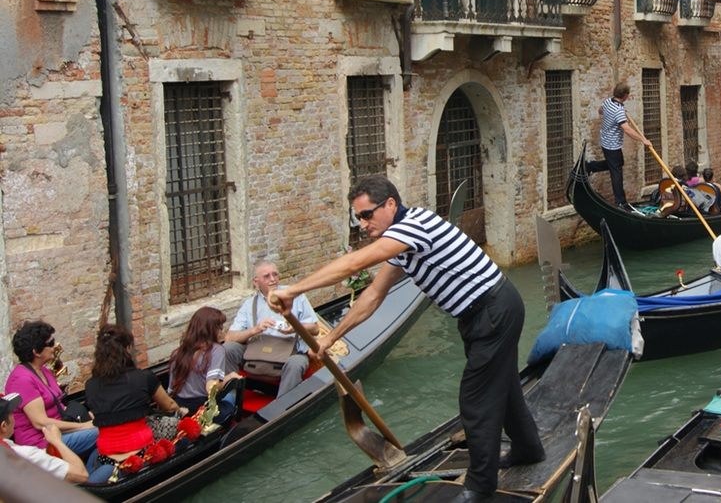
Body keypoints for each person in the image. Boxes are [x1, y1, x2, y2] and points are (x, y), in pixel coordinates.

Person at [269, 175, 544, 502]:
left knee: (476, 400)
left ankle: (479, 488)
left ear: (390, 205)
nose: (363, 224)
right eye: (357, 218)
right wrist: (332, 338)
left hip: (493, 311)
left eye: (367, 214)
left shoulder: (414, 225)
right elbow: (372, 296)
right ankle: (527, 448)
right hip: (480, 317)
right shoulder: (401, 243)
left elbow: (355, 262)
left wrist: (294, 290)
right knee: (504, 386)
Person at [85, 324, 186, 483]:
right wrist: (182, 411)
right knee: (178, 425)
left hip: (106, 455)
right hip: (140, 450)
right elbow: (170, 406)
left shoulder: (90, 385)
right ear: (127, 348)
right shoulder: (143, 377)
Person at [4, 321, 97, 463]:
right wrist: (83, 426)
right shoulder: (22, 380)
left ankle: (89, 478)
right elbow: (40, 423)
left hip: (60, 431)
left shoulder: (43, 371)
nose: (55, 347)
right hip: (41, 443)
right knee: (102, 432)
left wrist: (87, 416)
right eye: (50, 342)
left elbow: (59, 406)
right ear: (36, 351)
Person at [223, 261, 318, 398]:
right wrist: (255, 330)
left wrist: (295, 328)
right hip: (256, 351)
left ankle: (281, 409)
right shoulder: (249, 304)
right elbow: (229, 337)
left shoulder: (296, 297)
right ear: (256, 282)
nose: (273, 279)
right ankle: (231, 399)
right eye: (266, 276)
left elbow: (315, 328)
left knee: (297, 363)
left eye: (275, 274)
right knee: (228, 348)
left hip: (290, 353)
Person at [587, 81, 652, 209]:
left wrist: (611, 114)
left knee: (616, 164)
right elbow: (627, 129)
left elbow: (600, 110)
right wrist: (643, 140)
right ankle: (620, 202)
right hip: (612, 146)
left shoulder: (608, 102)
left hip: (605, 140)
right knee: (616, 172)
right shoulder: (618, 111)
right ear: (625, 95)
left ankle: (590, 166)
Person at [171, 308, 240, 425]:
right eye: (220, 328)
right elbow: (211, 388)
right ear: (211, 330)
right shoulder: (216, 350)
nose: (222, 332)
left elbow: (171, 389)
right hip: (203, 411)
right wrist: (230, 378)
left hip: (180, 406)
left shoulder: (178, 352)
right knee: (234, 391)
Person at [0, 393, 88, 483]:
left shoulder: (11, 448)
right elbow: (81, 475)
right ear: (3, 426)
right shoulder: (25, 455)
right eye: (11, 413)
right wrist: (57, 442)